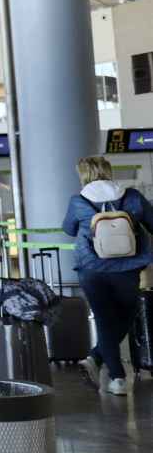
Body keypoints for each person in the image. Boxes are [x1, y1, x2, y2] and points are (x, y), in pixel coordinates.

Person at [62, 155, 153, 396]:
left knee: (104, 319)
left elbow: (68, 228)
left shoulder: (78, 201)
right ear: (108, 171)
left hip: (91, 268)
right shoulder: (132, 197)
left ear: (83, 175)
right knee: (126, 314)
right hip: (128, 267)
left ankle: (114, 376)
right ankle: (100, 363)